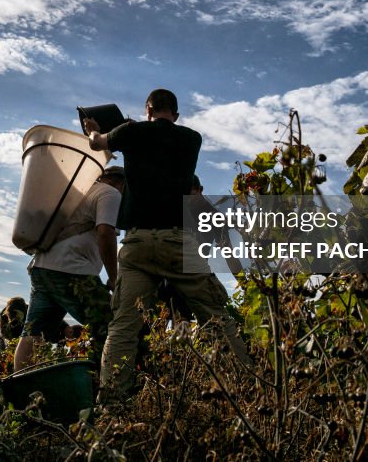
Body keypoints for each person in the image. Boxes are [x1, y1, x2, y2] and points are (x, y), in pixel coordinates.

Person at [83, 89, 252, 399]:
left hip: (137, 243)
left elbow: (97, 143)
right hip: (177, 240)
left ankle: (112, 404)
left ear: (147, 110)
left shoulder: (131, 132)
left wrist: (94, 128)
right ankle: (247, 391)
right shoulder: (192, 139)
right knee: (216, 316)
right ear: (175, 114)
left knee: (123, 327)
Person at [13, 166, 125, 371]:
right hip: (73, 272)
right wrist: (114, 276)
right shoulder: (111, 193)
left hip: (42, 267)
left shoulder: (77, 191)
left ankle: (21, 387)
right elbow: (106, 233)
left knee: (32, 333)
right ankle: (105, 383)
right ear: (121, 183)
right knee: (112, 325)